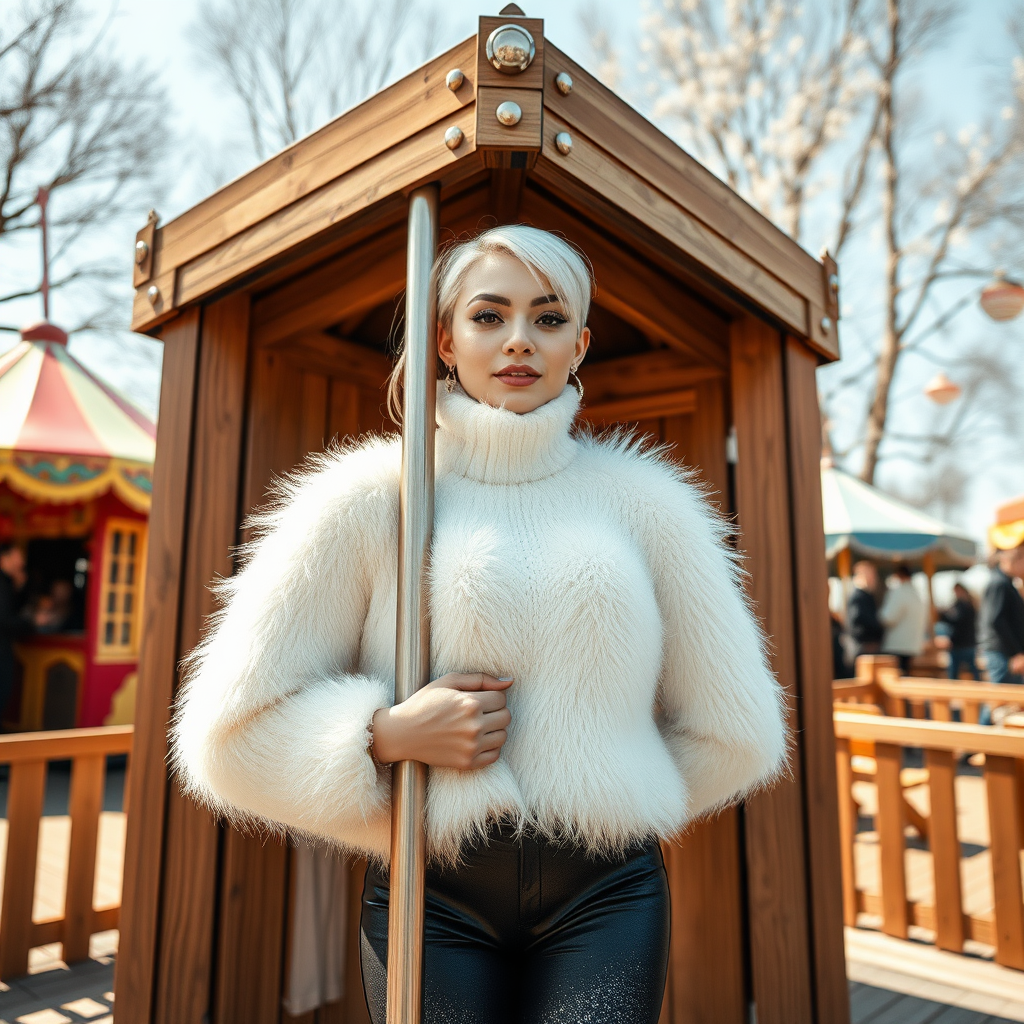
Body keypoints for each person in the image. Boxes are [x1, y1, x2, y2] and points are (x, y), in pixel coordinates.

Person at [171, 225, 788, 1024]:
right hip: (430, 894)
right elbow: (227, 732)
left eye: (550, 317)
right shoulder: (368, 497)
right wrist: (381, 738)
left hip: (607, 893)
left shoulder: (652, 506)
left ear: (580, 344)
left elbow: (738, 728)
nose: (520, 341)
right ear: (445, 339)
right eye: (489, 316)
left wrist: (614, 783)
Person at [980, 543, 1024, 686]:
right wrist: (1015, 653)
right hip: (1003, 653)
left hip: (1005, 652)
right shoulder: (999, 583)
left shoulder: (1005, 583)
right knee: (1002, 699)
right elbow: (996, 620)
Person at [0, 542, 30, 725]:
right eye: (18, 557)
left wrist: (19, 587)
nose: (21, 562)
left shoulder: (8, 583)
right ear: (5, 558)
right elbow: (4, 619)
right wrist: (32, 624)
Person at [879, 566, 927, 676]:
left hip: (897, 645)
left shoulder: (899, 592)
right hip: (912, 645)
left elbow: (888, 618)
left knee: (895, 679)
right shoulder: (917, 593)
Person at [937, 582, 979, 681]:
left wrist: (942, 615)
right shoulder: (968, 604)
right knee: (964, 671)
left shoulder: (964, 605)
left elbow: (956, 619)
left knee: (958, 671)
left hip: (963, 643)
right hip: (964, 642)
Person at [846, 560, 883, 669]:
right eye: (870, 575)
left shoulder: (866, 596)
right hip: (864, 648)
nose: (873, 579)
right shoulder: (858, 597)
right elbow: (857, 622)